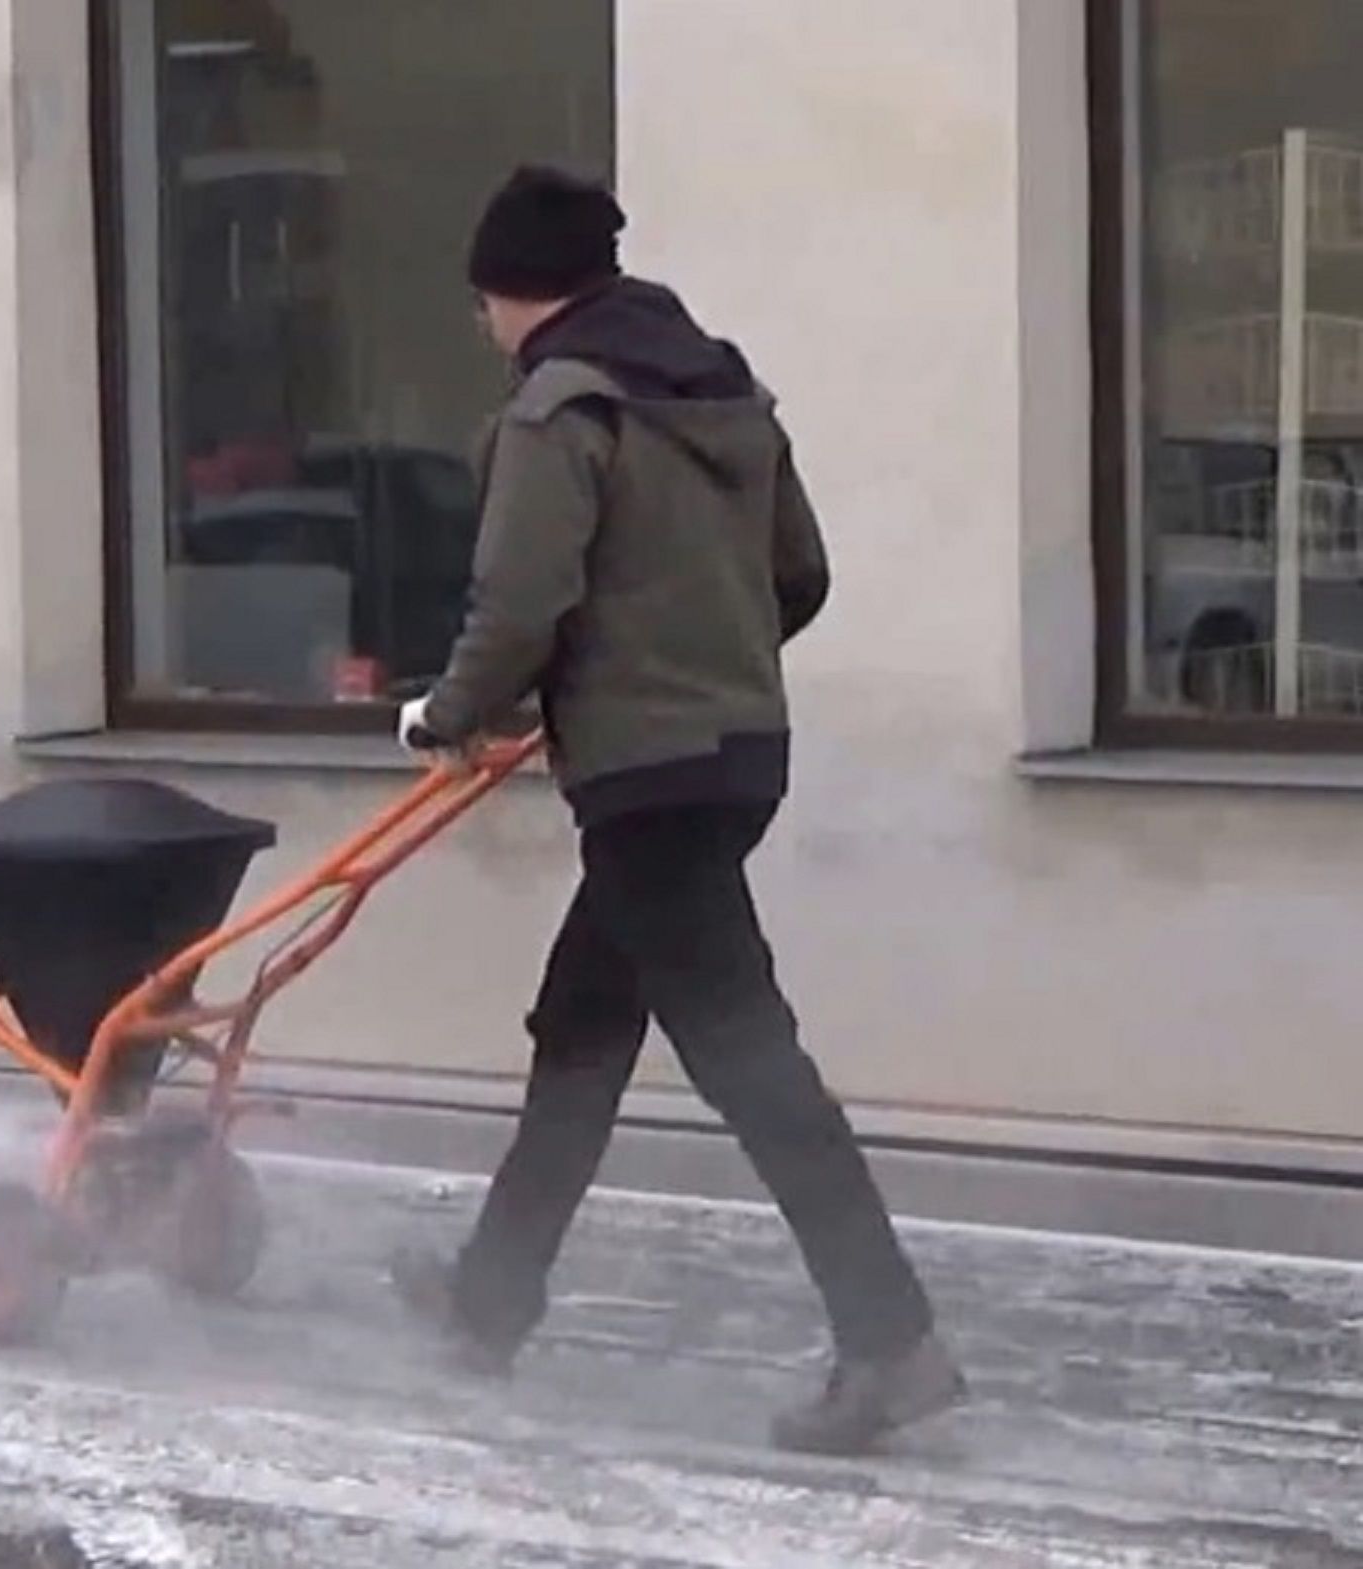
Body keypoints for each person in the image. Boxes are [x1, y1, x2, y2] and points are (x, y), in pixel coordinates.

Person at [392, 165, 964, 1456]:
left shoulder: (560, 409)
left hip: (643, 780)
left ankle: (893, 1344)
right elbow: (798, 575)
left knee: (754, 1066)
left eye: (483, 301)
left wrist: (449, 711)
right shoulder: (723, 391)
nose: (483, 325)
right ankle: (488, 1301)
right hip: (736, 757)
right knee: (584, 1030)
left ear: (513, 291)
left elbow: (519, 604)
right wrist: (700, 655)